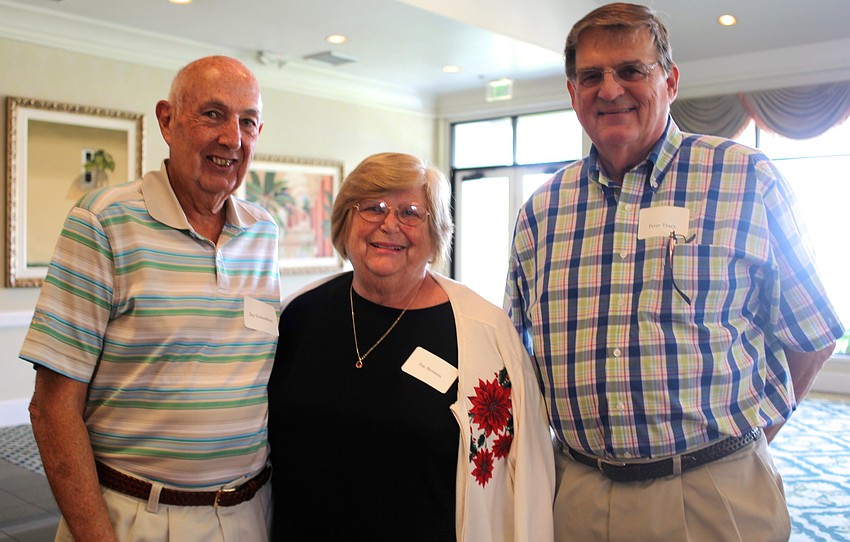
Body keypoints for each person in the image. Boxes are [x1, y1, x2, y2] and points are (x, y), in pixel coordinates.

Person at [505, 3, 845, 541]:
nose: (609, 88)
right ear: (572, 93)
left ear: (670, 80)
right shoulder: (541, 211)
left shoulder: (747, 179)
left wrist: (744, 446)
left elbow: (812, 336)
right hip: (576, 493)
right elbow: (517, 353)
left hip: (714, 493)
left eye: (631, 70)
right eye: (590, 75)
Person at [20, 56, 281, 541]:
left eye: (248, 122)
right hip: (137, 518)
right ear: (167, 119)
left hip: (249, 514)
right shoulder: (103, 221)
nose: (232, 138)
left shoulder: (263, 232)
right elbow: (52, 408)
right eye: (213, 114)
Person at [268, 152, 555, 541]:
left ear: (436, 232)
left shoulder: (484, 333)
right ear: (345, 222)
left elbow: (527, 478)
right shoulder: (299, 315)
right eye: (373, 207)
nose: (389, 224)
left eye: (410, 213)